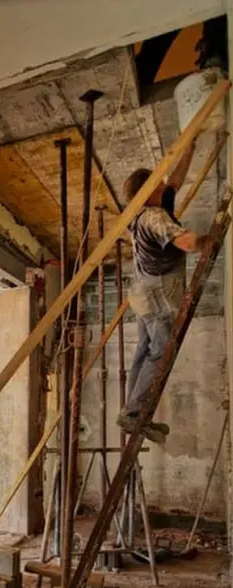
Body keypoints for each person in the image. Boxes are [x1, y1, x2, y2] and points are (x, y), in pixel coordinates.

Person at [118, 139, 208, 443]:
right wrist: (212, 237)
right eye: (158, 183)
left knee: (143, 352)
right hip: (156, 295)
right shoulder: (153, 216)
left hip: (143, 291)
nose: (163, 184)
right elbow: (188, 243)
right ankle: (133, 415)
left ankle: (132, 413)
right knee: (158, 353)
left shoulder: (153, 205)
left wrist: (190, 146)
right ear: (149, 190)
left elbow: (176, 181)